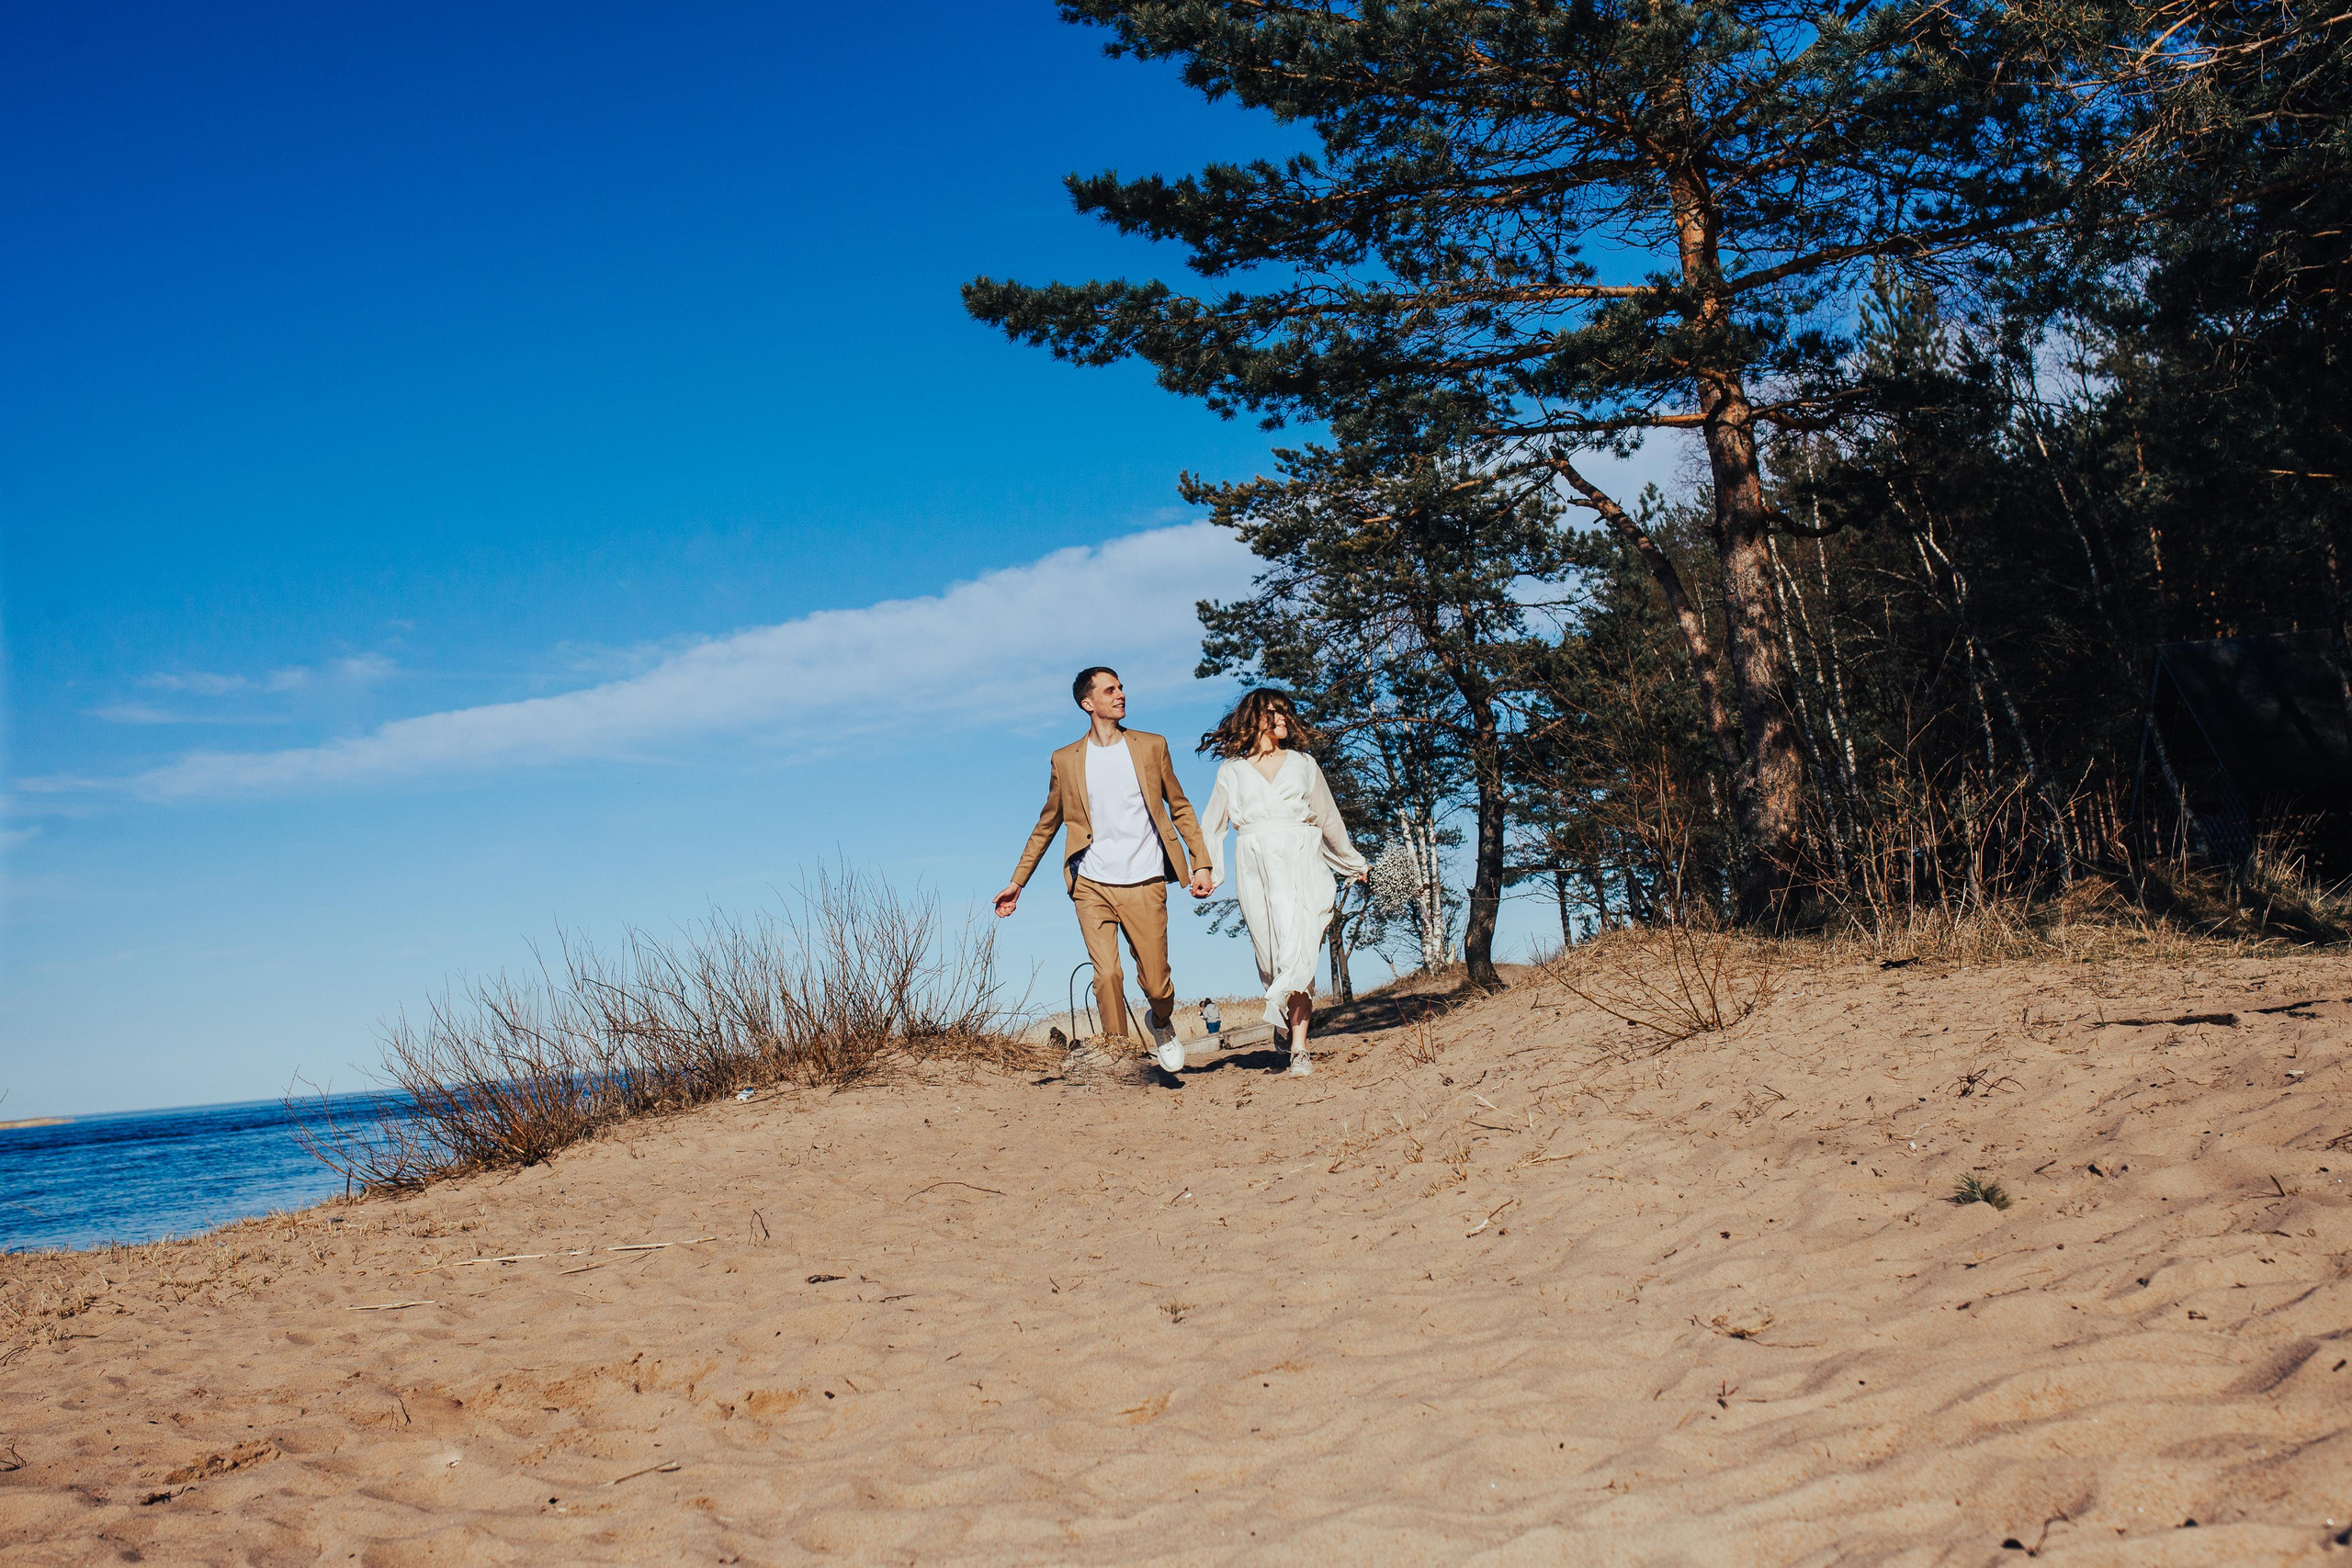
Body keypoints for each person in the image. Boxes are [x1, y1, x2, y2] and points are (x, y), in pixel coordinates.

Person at [995, 667, 1214, 1076]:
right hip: (1091, 882)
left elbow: (1179, 806)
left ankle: (1161, 1022)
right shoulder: (1065, 759)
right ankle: (1120, 1058)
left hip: (1145, 878)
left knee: (1156, 984)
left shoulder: (1151, 746)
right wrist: (1017, 882)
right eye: (1110, 689)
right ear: (1088, 703)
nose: (1121, 694)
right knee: (1107, 974)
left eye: (1121, 687)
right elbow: (1047, 823)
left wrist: (1200, 861)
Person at [1196, 689, 1369, 1077]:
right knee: (1272, 958)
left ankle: (1300, 1048)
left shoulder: (1304, 764)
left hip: (1302, 858)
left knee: (1300, 950)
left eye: (1286, 713)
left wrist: (1352, 862)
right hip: (1255, 864)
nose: (1284, 719)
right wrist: (1206, 871)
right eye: (1275, 713)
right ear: (1255, 718)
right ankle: (1282, 1019)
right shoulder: (1231, 772)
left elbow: (1328, 818)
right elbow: (1212, 826)